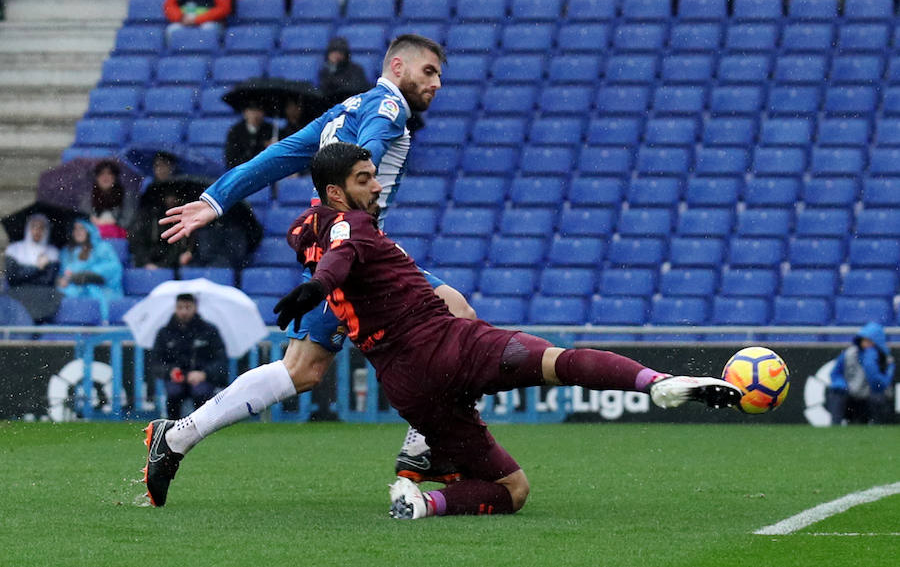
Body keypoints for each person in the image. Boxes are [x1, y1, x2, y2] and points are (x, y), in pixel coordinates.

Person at [142, 143, 742, 514]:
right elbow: (345, 247)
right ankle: (656, 383)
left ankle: (422, 494)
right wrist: (321, 283)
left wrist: (321, 279)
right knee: (556, 360)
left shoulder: (307, 226)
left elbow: (328, 243)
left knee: (512, 489)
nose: (377, 185)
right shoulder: (371, 150)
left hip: (403, 379)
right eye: (365, 177)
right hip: (442, 346)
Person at [150, 35, 470, 507]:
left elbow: (274, 159)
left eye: (439, 75)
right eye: (429, 72)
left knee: (307, 368)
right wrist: (353, 205)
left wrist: (214, 199)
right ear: (398, 66)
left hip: (349, 248)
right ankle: (424, 443)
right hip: (356, 255)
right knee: (452, 319)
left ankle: (176, 437)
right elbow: (366, 156)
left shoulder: (342, 111)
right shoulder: (387, 109)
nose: (437, 83)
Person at [151, 293, 228, 419]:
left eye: (188, 307)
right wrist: (170, 371)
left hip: (202, 379)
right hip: (176, 379)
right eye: (180, 307)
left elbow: (221, 362)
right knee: (173, 393)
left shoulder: (209, 331)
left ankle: (204, 426)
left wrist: (204, 374)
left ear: (195, 308)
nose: (184, 312)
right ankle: (172, 429)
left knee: (201, 393)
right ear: (175, 308)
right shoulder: (164, 333)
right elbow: (156, 362)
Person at [827, 322, 895, 425]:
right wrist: (841, 384)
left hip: (872, 400)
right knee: (836, 393)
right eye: (864, 340)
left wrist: (870, 365)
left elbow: (881, 384)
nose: (866, 344)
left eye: (870, 341)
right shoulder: (849, 354)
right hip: (851, 398)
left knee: (878, 398)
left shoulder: (886, 360)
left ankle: (877, 426)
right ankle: (835, 424)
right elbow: (835, 374)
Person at [57, 219, 124, 322]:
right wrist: (61, 280)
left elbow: (113, 268)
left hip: (99, 289)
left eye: (81, 228)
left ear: (89, 230)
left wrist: (85, 275)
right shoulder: (67, 252)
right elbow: (63, 273)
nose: (78, 232)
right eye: (75, 229)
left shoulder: (102, 248)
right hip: (73, 290)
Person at [4, 214, 62, 323]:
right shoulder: (14, 249)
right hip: (17, 294)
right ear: (28, 228)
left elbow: (48, 281)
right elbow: (12, 278)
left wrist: (25, 275)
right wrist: (38, 268)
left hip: (42, 297)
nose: (37, 231)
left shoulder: (52, 252)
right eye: (34, 226)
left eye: (41, 228)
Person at [128, 180, 194, 270]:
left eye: (175, 196)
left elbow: (186, 246)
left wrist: (189, 252)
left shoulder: (186, 218)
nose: (171, 199)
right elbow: (137, 241)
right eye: (168, 195)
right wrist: (146, 262)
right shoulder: (148, 217)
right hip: (148, 265)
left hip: (175, 267)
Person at [81, 160, 135, 240]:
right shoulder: (88, 197)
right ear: (96, 177)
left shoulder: (126, 196)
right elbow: (82, 219)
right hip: (92, 242)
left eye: (109, 173)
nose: (105, 177)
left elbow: (129, 220)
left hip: (119, 241)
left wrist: (114, 223)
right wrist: (91, 220)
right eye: (101, 173)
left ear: (115, 177)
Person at [317, 37, 371, 108]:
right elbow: (324, 92)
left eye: (339, 52)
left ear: (345, 54)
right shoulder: (325, 71)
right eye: (333, 52)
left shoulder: (356, 69)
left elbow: (356, 89)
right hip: (331, 106)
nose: (336, 55)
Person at [224, 101, 275, 170]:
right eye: (252, 111)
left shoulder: (271, 130)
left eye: (259, 110)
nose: (255, 115)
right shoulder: (235, 131)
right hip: (241, 171)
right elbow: (230, 159)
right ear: (245, 113)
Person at [163, 0, 232, 41]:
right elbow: (169, 6)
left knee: (208, 29)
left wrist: (197, 19)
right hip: (183, 22)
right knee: (171, 30)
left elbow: (224, 8)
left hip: (211, 23)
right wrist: (181, 17)